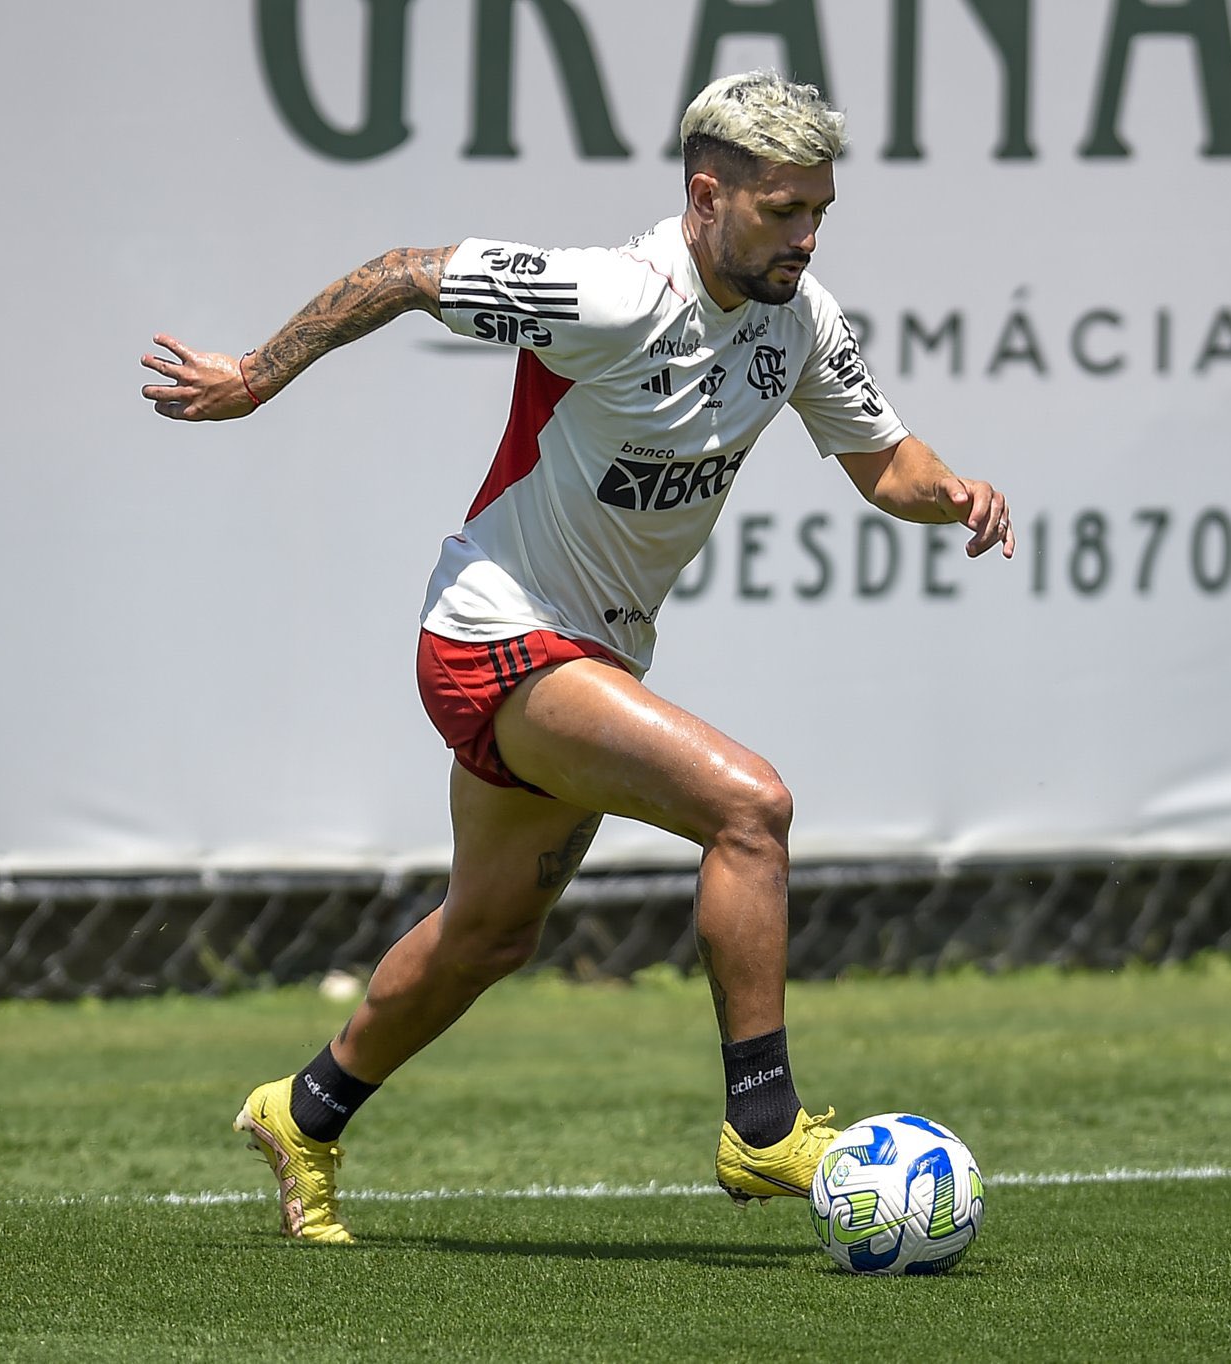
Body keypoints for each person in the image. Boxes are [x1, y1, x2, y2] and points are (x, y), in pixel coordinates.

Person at [138, 71, 1013, 1245]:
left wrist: (952, 493)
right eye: (782, 210)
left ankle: (303, 1111)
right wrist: (252, 377)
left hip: (589, 652)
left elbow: (883, 462)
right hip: (496, 633)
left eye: (819, 212)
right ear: (706, 196)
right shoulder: (615, 294)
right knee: (750, 807)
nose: (805, 235)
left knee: (491, 931)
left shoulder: (797, 320)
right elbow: (402, 274)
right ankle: (762, 1125)